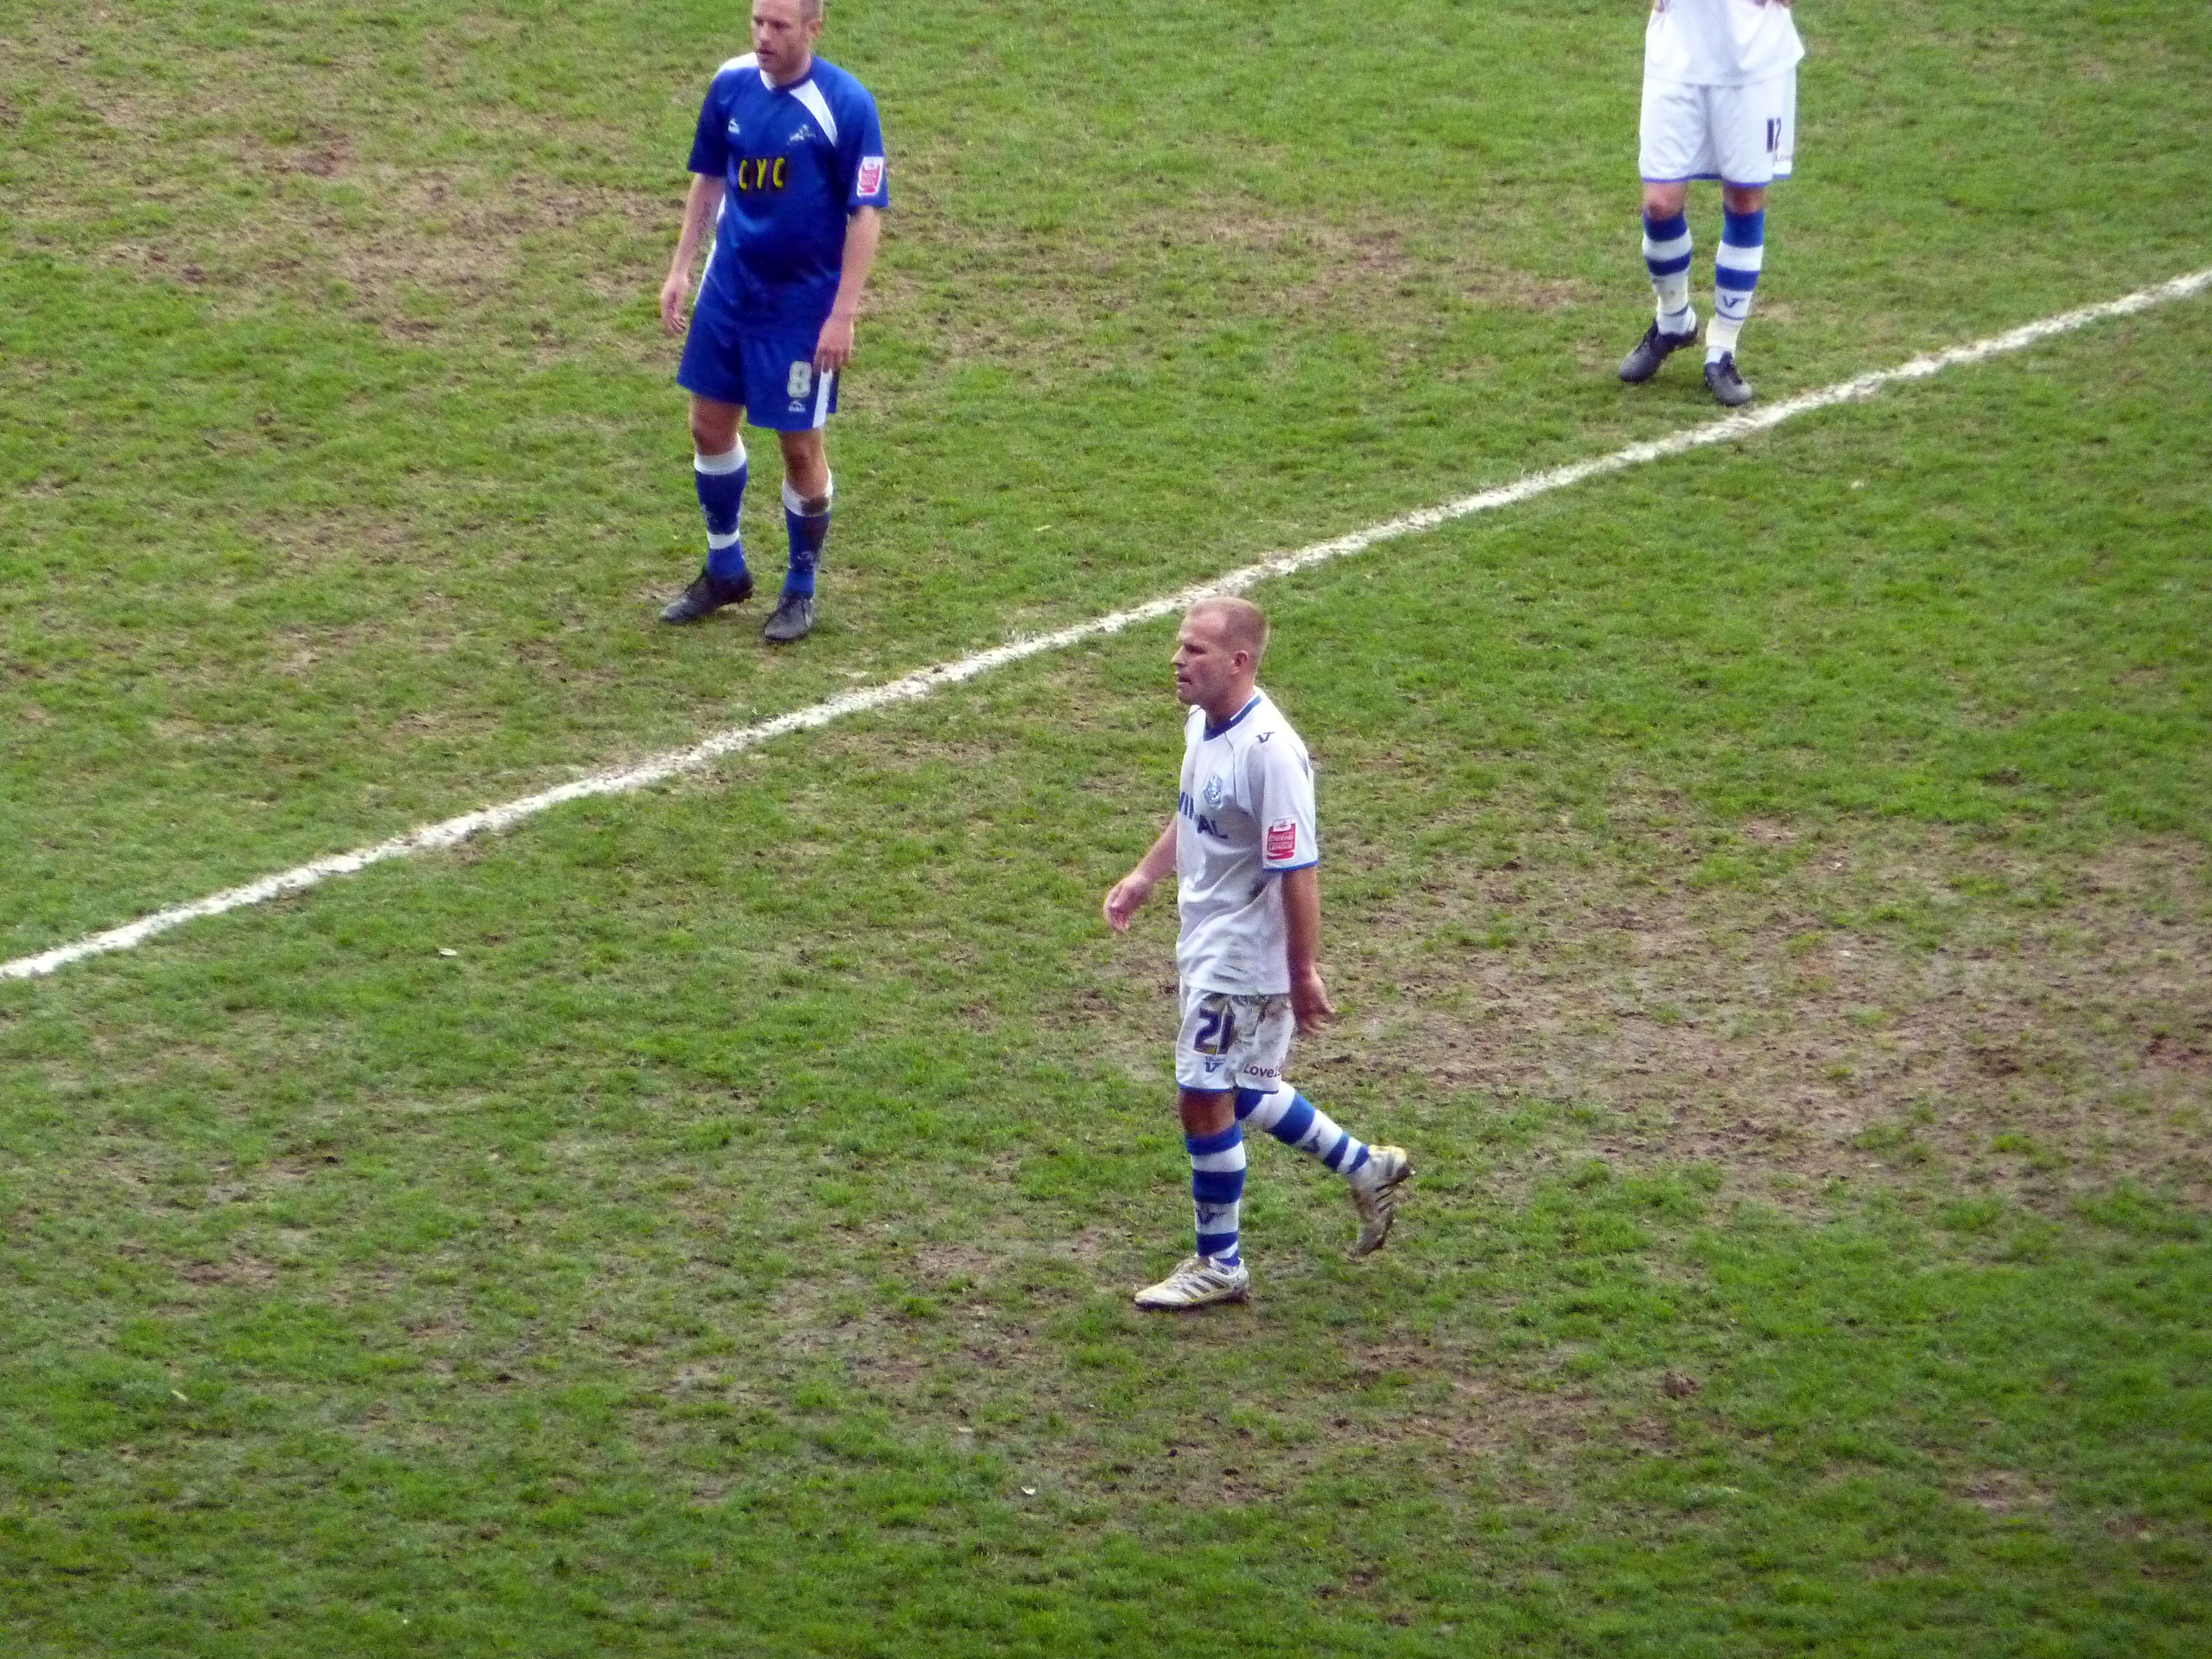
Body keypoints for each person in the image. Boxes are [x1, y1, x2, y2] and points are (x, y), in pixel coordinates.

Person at [1103, 598, 1412, 1310]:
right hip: (1207, 940)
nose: (1178, 660)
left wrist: (1302, 971)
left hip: (1243, 960)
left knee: (1203, 1098)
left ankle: (1221, 1263)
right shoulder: (1203, 723)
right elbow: (1195, 811)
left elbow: (1298, 871)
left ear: (1239, 661)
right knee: (1240, 1088)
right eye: (1180, 646)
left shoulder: (1271, 754)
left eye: (1196, 650)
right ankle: (1363, 1166)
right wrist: (1147, 875)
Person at [657, 0, 887, 643]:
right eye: (758, 21)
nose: (764, 35)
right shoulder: (730, 83)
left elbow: (866, 214)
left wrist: (843, 313)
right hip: (729, 291)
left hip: (800, 309)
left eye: (780, 25)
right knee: (707, 427)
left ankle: (800, 587)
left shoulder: (846, 105)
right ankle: (725, 567)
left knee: (799, 447)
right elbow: (709, 178)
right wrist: (681, 268)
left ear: (815, 28)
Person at [1617, 0, 1802, 408]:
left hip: (1752, 62)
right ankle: (1674, 321)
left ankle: (1722, 349)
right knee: (1660, 204)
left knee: (1744, 198)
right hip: (1676, 55)